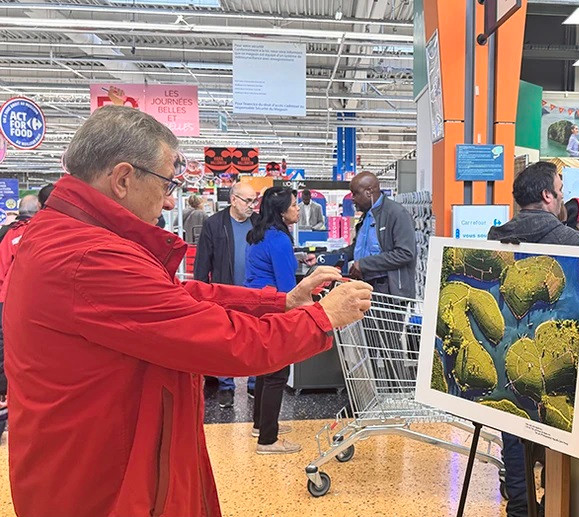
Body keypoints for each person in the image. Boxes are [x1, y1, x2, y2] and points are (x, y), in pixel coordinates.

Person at [3, 105, 374, 516]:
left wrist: (280, 302)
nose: (168, 199)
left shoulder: (73, 237)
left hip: (102, 464)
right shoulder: (89, 257)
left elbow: (175, 295)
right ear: (123, 178)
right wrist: (321, 318)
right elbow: (226, 343)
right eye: (167, 183)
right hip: (105, 487)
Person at [487, 161, 579, 517]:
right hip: (561, 359)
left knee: (514, 434)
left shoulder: (496, 237)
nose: (564, 193)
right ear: (547, 195)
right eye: (560, 186)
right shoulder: (569, 240)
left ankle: (520, 509)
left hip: (509, 355)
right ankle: (553, 500)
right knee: (558, 438)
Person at [245, 187, 310, 454]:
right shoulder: (280, 240)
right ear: (282, 211)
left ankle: (261, 424)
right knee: (277, 372)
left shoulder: (259, 234)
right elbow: (287, 287)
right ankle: (268, 440)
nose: (297, 209)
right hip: (274, 307)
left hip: (257, 305)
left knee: (264, 366)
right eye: (294, 205)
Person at [194, 181, 261, 407]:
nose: (252, 205)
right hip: (225, 291)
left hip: (255, 292)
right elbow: (203, 261)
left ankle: (254, 383)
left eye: (255, 200)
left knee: (254, 336)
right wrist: (200, 292)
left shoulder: (258, 223)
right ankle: (226, 386)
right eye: (248, 200)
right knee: (225, 339)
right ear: (233, 200)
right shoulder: (214, 224)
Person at [0, 194, 43, 429]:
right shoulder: (42, 232)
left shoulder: (9, 233)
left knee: (9, 351)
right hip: (35, 302)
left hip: (8, 300)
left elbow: (1, 268)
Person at [338, 171, 417, 297]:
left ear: (369, 192)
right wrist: (328, 257)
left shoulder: (397, 214)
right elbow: (357, 248)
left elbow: (405, 253)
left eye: (355, 194)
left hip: (388, 290)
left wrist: (364, 264)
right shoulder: (368, 216)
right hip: (366, 285)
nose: (352, 198)